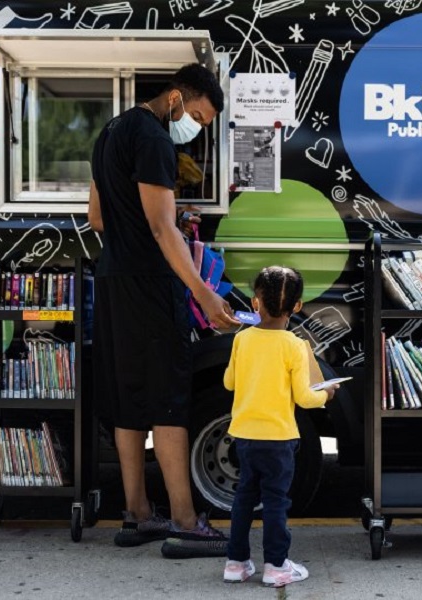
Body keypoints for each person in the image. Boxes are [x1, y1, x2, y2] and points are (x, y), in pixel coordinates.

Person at [87, 63, 240, 558]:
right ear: (177, 97)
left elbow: (97, 216)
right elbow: (159, 228)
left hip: (113, 279)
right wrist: (202, 292)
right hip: (152, 286)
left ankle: (136, 514)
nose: (196, 126)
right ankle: (185, 521)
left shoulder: (110, 131)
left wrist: (149, 228)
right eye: (197, 115)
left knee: (129, 396)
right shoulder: (154, 138)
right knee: (170, 397)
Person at [221, 266, 339, 587]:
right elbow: (303, 397)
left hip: (244, 435)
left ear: (254, 302)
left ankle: (236, 562)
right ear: (297, 307)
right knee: (275, 500)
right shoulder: (294, 345)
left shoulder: (241, 339)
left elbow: (229, 382)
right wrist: (326, 394)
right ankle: (275, 566)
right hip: (279, 439)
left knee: (244, 496)